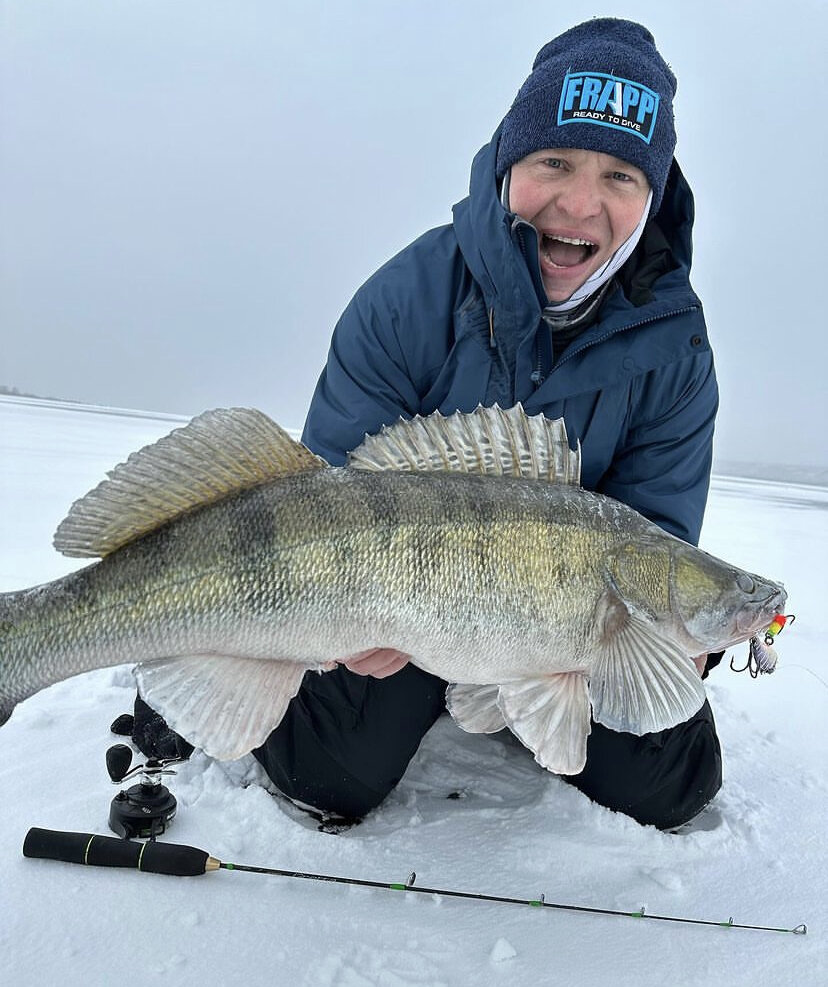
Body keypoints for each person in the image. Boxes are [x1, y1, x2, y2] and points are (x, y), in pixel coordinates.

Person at [130, 18, 723, 830]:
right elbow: (321, 500)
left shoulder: (677, 349)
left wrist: (684, 635)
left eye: (621, 174)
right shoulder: (408, 296)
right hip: (396, 607)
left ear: (652, 197)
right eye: (556, 160)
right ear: (511, 161)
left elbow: (656, 531)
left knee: (675, 781)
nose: (581, 202)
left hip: (567, 628)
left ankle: (509, 689)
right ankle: (176, 635)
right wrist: (344, 636)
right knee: (330, 768)